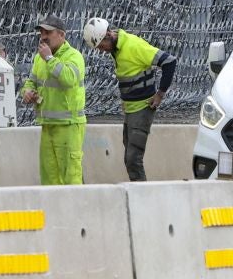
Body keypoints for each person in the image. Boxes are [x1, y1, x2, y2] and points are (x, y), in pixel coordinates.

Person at [87, 16, 174, 182]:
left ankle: (142, 195)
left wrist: (160, 94)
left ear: (108, 35)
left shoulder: (133, 46)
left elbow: (169, 62)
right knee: (129, 157)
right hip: (131, 109)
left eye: (101, 45)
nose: (101, 50)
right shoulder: (117, 49)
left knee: (133, 159)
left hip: (142, 109)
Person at [20, 17, 86, 185]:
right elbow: (31, 82)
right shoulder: (39, 58)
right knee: (49, 177)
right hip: (47, 125)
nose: (43, 37)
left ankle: (73, 210)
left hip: (68, 126)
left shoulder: (73, 56)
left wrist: (50, 59)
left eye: (48, 32)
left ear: (61, 35)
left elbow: (69, 79)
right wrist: (27, 92)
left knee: (70, 176)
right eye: (41, 33)